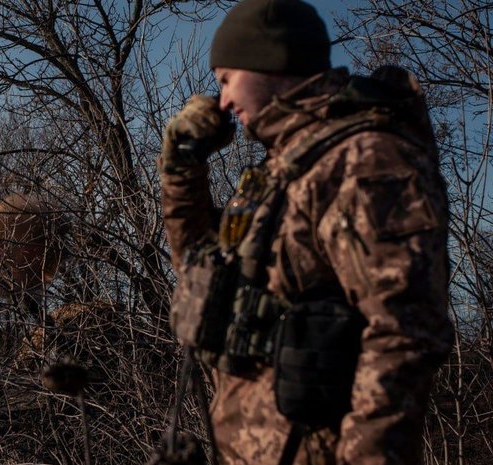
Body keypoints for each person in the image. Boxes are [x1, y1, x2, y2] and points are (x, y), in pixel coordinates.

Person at [158, 1, 454, 465]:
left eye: (226, 79)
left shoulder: (363, 161)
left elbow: (402, 338)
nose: (223, 102)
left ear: (267, 62)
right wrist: (182, 167)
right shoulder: (284, 172)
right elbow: (199, 270)